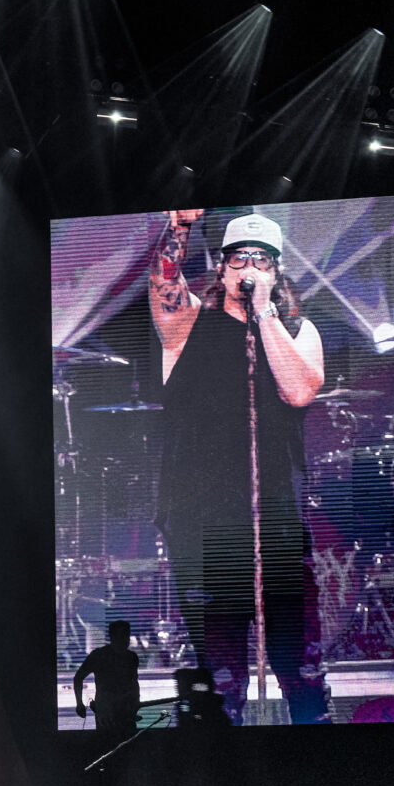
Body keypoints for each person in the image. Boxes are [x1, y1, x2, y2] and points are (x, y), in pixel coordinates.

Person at [149, 209, 328, 724]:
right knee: (220, 678)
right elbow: (164, 280)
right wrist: (179, 227)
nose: (248, 267)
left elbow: (297, 390)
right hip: (205, 526)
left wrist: (266, 313)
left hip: (277, 520)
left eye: (261, 260)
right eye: (238, 258)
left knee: (303, 669)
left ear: (275, 272)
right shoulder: (187, 326)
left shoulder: (298, 328)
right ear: (222, 269)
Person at [72, 619, 143, 740]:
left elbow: (134, 684)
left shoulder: (131, 657)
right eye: (122, 635)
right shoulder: (100, 656)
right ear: (112, 637)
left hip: (124, 713)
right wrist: (79, 703)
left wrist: (134, 706)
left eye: (126, 635)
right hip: (107, 714)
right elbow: (78, 678)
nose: (125, 639)